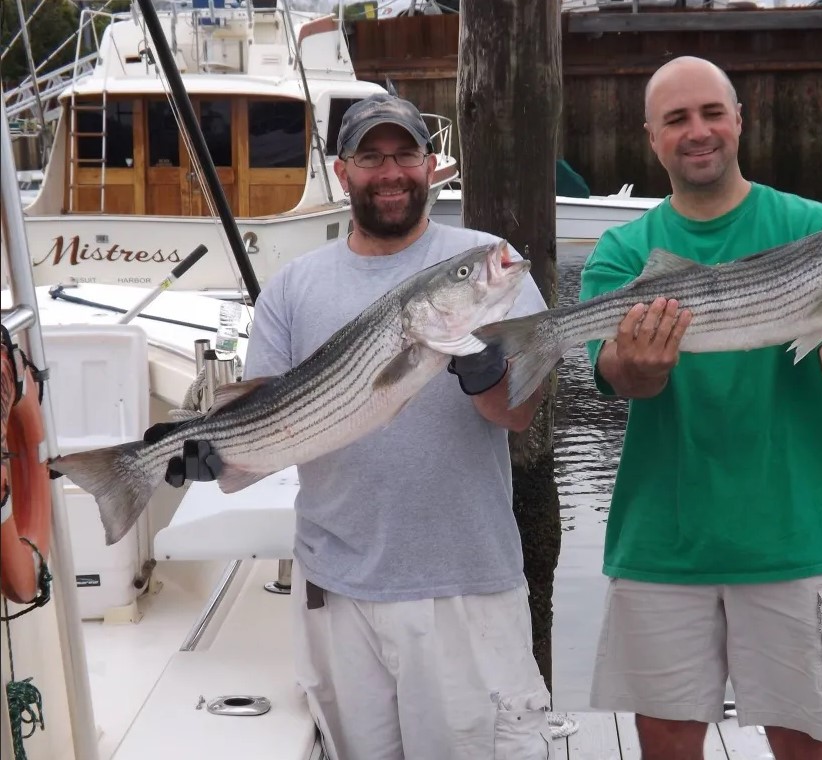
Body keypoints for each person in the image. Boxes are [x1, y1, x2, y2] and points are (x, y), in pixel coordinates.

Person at [155, 93, 552, 760]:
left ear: (431, 165)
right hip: (334, 593)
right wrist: (216, 454)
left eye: (405, 155)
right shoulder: (293, 287)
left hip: (463, 586)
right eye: (372, 156)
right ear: (343, 171)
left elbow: (517, 414)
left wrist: (488, 371)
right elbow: (274, 431)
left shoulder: (488, 264)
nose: (390, 172)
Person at [578, 57, 822, 760]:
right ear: (650, 136)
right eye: (677, 118)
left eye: (713, 112)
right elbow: (620, 378)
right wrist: (636, 364)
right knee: (667, 746)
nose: (698, 131)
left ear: (739, 121)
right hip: (663, 540)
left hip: (796, 534)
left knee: (807, 745)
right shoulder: (624, 249)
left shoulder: (813, 226)